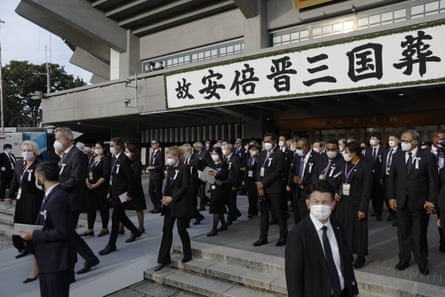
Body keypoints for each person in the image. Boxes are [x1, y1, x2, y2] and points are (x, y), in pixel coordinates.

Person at [285, 181, 359, 297]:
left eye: (325, 202)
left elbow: (345, 262)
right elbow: (294, 279)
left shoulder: (338, 227)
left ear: (333, 204)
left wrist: (353, 288)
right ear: (308, 203)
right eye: (316, 202)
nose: (320, 206)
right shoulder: (297, 235)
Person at [387, 129, 439, 275]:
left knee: (419, 233)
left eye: (405, 140)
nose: (402, 142)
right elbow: (391, 178)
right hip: (401, 202)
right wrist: (391, 196)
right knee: (403, 232)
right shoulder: (397, 156)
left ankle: (422, 260)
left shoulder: (427, 156)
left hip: (420, 203)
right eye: (401, 140)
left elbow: (433, 181)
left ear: (415, 142)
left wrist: (431, 200)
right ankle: (404, 258)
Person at [20, 160, 76, 297]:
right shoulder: (50, 194)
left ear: (42, 177)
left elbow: (62, 231)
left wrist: (34, 235)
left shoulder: (57, 197)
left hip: (56, 260)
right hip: (48, 258)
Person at [53, 127, 99, 275]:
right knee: (68, 232)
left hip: (72, 200)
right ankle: (89, 257)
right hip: (64, 199)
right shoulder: (64, 155)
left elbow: (76, 178)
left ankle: (80, 260)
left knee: (67, 232)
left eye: (58, 138)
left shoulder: (77, 155)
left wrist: (58, 187)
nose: (56, 142)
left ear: (67, 139)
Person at [6, 141, 44, 283]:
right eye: (23, 150)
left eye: (28, 150)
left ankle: (36, 268)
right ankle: (24, 248)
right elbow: (15, 181)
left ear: (34, 151)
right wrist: (10, 195)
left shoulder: (40, 165)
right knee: (19, 230)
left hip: (34, 202)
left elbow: (42, 186)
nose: (25, 152)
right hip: (21, 201)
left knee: (32, 232)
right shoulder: (19, 164)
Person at [99, 137, 142, 255]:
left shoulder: (124, 160)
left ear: (119, 146)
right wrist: (110, 191)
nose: (110, 147)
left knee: (115, 217)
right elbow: (113, 178)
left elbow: (130, 179)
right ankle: (135, 231)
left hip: (123, 194)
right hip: (115, 193)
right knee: (121, 215)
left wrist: (129, 194)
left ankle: (111, 244)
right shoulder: (114, 159)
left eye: (112, 145)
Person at [154, 146, 192, 271]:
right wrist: (164, 198)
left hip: (180, 203)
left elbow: (185, 186)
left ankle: (187, 254)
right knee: (166, 231)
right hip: (169, 205)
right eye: (167, 157)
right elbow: (168, 185)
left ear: (177, 157)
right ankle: (163, 259)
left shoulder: (185, 168)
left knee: (182, 230)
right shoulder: (170, 169)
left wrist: (173, 197)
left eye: (170, 157)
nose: (168, 159)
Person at [337, 141, 372, 268]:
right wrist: (336, 192)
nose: (344, 154)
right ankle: (348, 254)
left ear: (354, 153)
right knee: (345, 230)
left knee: (359, 231)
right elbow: (339, 181)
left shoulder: (365, 166)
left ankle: (361, 256)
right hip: (344, 202)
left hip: (357, 204)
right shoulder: (343, 164)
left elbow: (367, 189)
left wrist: (363, 208)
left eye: (346, 152)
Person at [253, 133, 287, 247]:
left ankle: (283, 236)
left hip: (274, 188)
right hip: (262, 188)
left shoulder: (279, 154)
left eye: (268, 141)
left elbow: (277, 172)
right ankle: (263, 237)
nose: (266, 143)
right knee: (263, 214)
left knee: (279, 213)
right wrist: (259, 183)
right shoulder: (262, 154)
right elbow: (258, 169)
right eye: (265, 141)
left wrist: (263, 183)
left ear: (274, 142)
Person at [82, 142, 111, 237]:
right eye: (96, 147)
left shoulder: (106, 159)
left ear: (104, 148)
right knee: (90, 208)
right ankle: (90, 229)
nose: (97, 149)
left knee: (103, 208)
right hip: (90, 187)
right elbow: (87, 171)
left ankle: (104, 228)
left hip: (101, 187)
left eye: (99, 147)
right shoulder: (92, 158)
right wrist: (87, 181)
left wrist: (96, 185)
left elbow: (105, 175)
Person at [290, 137, 320, 223]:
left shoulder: (317, 157)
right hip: (297, 191)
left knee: (308, 218)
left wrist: (304, 182)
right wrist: (294, 177)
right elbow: (293, 170)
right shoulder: (297, 156)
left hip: (309, 191)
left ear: (306, 147)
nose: (297, 150)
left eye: (299, 148)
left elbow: (316, 176)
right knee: (298, 217)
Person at [206, 147, 229, 236]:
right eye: (212, 154)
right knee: (219, 208)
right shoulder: (213, 164)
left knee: (216, 207)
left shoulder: (224, 164)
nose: (214, 156)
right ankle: (223, 224)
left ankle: (214, 228)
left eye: (215, 154)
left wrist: (216, 174)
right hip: (213, 186)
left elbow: (224, 175)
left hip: (221, 188)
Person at [125, 144, 147, 233]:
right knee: (120, 207)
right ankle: (120, 227)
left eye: (127, 152)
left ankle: (141, 226)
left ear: (133, 152)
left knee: (138, 208)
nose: (126, 154)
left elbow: (135, 176)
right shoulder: (126, 162)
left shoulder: (137, 163)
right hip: (126, 189)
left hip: (136, 189)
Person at [364, 134, 386, 221]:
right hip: (370, 176)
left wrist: (382, 176)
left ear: (378, 140)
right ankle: (374, 209)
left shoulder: (383, 150)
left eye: (374, 139)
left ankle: (379, 213)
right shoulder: (368, 150)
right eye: (371, 138)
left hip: (379, 176)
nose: (372, 140)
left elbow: (383, 164)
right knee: (372, 194)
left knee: (379, 195)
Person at [429, 130, 445, 252]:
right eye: (439, 138)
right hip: (429, 189)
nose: (441, 141)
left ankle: (443, 241)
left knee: (442, 216)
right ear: (433, 138)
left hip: (443, 189)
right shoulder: (425, 153)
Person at [182, 143, 204, 225]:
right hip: (185, 183)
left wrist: (200, 183)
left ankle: (191, 219)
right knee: (187, 202)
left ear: (188, 150)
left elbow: (200, 171)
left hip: (193, 183)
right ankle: (197, 215)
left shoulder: (196, 159)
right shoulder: (183, 159)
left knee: (191, 201)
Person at [382, 134, 401, 225]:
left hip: (397, 178)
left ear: (398, 141)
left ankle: (398, 217)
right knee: (387, 196)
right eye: (389, 139)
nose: (390, 141)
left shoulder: (400, 152)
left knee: (395, 196)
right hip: (386, 176)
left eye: (393, 139)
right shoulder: (386, 151)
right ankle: (392, 214)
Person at [222, 142, 242, 224]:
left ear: (229, 149)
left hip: (232, 183)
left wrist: (235, 185)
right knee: (226, 200)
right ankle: (236, 213)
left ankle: (231, 217)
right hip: (226, 182)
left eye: (225, 149)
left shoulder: (235, 158)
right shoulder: (225, 158)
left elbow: (237, 172)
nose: (224, 150)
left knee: (231, 201)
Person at [147, 139, 164, 213]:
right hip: (152, 174)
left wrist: (153, 167)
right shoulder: (153, 153)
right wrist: (149, 167)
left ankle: (159, 207)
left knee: (158, 191)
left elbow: (161, 165)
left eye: (154, 143)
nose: (152, 145)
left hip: (157, 175)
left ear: (158, 144)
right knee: (150, 191)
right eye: (151, 144)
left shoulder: (160, 153)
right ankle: (155, 205)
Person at [243, 143, 260, 218]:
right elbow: (246, 169)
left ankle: (254, 211)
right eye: (251, 150)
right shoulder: (248, 158)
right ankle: (251, 211)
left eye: (254, 150)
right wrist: (244, 179)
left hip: (255, 179)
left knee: (255, 196)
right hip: (249, 179)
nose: (252, 151)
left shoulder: (258, 159)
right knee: (250, 196)